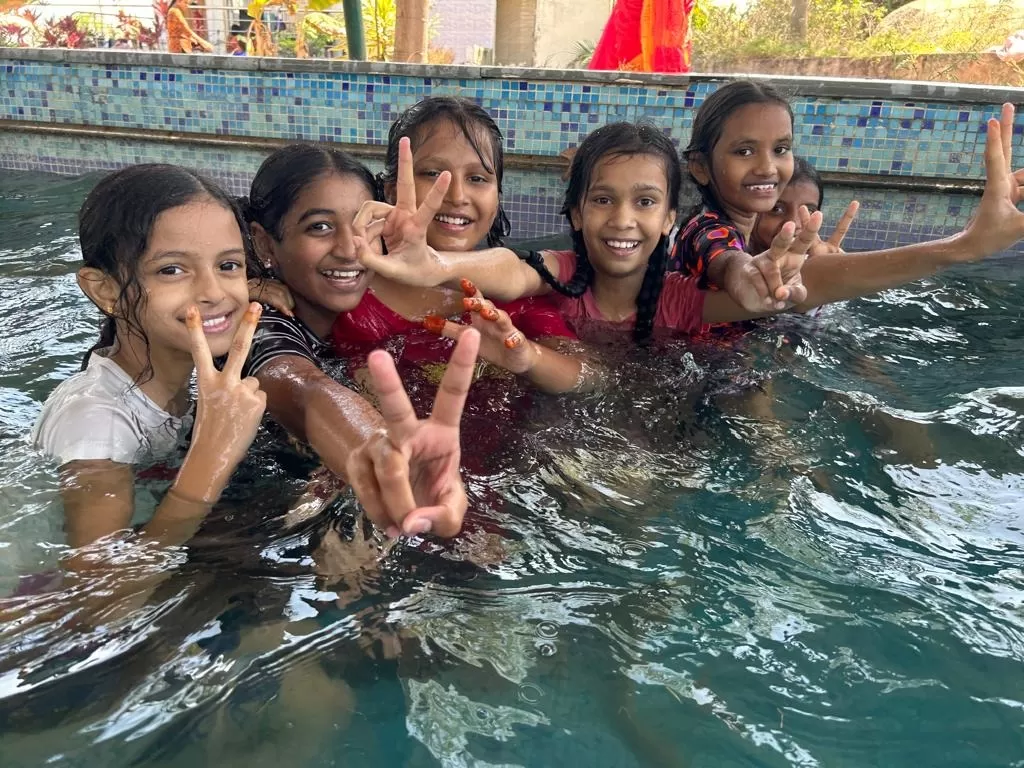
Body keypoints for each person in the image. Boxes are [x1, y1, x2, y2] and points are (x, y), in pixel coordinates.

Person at [350, 105, 1024, 347]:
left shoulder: (681, 299)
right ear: (576, 210)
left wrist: (960, 249)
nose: (622, 220)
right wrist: (438, 267)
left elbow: (821, 285)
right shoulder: (552, 277)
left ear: (672, 216)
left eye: (645, 202)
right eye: (603, 200)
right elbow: (506, 268)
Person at [31, 165, 265, 561]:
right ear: (106, 291)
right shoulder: (95, 423)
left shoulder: (170, 388)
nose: (213, 293)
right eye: (171, 270)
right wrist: (213, 454)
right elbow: (101, 602)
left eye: (228, 266)